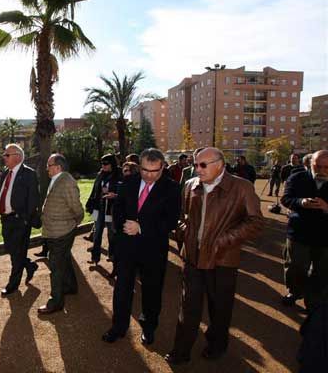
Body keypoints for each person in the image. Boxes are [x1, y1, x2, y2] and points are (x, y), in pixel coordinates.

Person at [165, 147, 264, 365]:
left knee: (220, 308)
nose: (196, 169)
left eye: (202, 165)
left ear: (220, 165)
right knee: (188, 307)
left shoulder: (241, 187)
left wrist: (224, 240)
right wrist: (183, 230)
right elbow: (183, 215)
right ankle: (180, 351)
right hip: (192, 257)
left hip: (222, 259)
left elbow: (256, 222)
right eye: (195, 164)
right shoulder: (191, 185)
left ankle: (217, 344)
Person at [102, 148, 180, 346]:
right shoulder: (129, 182)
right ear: (140, 166)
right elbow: (118, 208)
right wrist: (121, 226)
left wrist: (141, 227)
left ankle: (149, 327)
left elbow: (171, 220)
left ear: (162, 167)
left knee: (152, 291)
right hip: (127, 247)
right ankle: (118, 327)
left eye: (154, 171)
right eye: (145, 170)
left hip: (153, 249)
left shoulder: (172, 188)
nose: (149, 175)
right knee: (121, 289)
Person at [280, 150, 328, 311]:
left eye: (326, 168)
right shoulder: (297, 177)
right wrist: (301, 202)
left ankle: (313, 300)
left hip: (325, 237)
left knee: (321, 271)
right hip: (299, 233)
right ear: (310, 164)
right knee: (295, 267)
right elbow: (286, 199)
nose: (321, 171)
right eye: (317, 167)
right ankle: (294, 292)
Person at [37, 154, 84, 314]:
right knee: (64, 259)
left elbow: (76, 208)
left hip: (62, 231)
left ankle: (55, 302)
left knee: (55, 266)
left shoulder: (67, 182)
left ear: (58, 167)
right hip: (56, 230)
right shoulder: (58, 179)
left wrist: (74, 222)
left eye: (49, 165)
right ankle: (70, 287)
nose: (46, 168)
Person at [0, 143, 40, 296]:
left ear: (17, 157)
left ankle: (13, 284)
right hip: (6, 219)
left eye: (7, 155)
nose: (4, 157)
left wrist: (25, 220)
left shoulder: (29, 174)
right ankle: (29, 266)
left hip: (20, 220)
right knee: (12, 250)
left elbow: (33, 199)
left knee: (17, 253)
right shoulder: (5, 172)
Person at [85, 154, 122, 265]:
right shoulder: (100, 174)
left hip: (110, 208)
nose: (103, 166)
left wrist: (115, 195)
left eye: (106, 163)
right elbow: (95, 189)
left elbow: (123, 191)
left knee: (111, 233)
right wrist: (90, 203)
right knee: (97, 232)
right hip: (98, 207)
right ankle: (95, 257)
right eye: (102, 163)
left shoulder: (119, 174)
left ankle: (113, 255)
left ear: (112, 164)